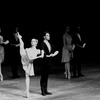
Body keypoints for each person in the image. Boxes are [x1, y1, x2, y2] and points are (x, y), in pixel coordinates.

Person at [17, 32, 44, 98]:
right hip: (25, 57)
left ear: (36, 43)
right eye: (31, 41)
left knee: (27, 76)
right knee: (22, 45)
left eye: (34, 41)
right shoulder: (28, 49)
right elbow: (30, 56)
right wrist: (40, 56)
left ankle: (27, 91)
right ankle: (20, 38)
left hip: (30, 62)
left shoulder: (38, 50)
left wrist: (42, 54)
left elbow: (40, 55)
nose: (32, 42)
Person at [40, 32, 59, 96]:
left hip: (48, 62)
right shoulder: (42, 44)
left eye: (49, 35)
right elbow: (43, 52)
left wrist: (53, 54)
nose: (49, 36)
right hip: (44, 62)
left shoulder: (49, 43)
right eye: (47, 35)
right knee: (43, 76)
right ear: (44, 37)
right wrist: (48, 55)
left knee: (46, 76)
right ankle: (43, 91)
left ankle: (45, 90)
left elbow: (56, 50)